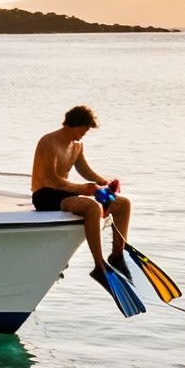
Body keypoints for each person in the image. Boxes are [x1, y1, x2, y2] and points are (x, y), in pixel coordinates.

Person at [31, 105, 132, 277]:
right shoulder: (49, 142)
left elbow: (83, 169)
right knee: (93, 208)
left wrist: (101, 181)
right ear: (73, 125)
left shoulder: (77, 144)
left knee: (123, 203)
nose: (85, 133)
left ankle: (117, 255)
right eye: (84, 130)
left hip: (65, 190)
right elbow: (51, 179)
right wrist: (82, 189)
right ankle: (99, 264)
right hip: (45, 194)